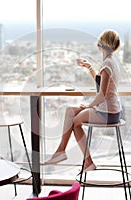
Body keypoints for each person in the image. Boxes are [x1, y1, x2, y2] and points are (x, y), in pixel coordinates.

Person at [44, 30, 123, 172]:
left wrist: (88, 106)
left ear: (101, 45)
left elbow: (102, 95)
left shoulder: (107, 65)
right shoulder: (110, 62)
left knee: (75, 123)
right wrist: (91, 68)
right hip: (110, 109)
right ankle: (60, 152)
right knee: (70, 111)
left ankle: (88, 162)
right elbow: (101, 84)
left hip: (107, 112)